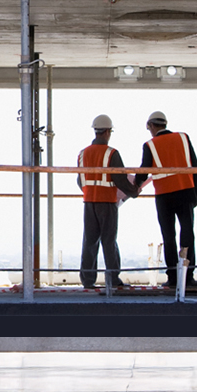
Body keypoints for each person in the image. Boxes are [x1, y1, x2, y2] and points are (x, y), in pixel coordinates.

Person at [133, 111, 197, 289]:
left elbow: (144, 171)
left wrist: (133, 188)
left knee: (169, 236)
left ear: (152, 126)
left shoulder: (149, 145)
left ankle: (173, 277)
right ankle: (188, 276)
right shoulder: (183, 138)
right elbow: (195, 166)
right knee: (187, 233)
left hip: (164, 196)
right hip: (186, 191)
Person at [77, 114, 138, 289]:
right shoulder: (111, 153)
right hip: (108, 202)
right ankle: (112, 279)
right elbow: (121, 180)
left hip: (89, 202)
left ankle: (88, 281)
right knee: (109, 241)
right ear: (108, 132)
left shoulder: (82, 154)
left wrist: (91, 192)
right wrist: (134, 192)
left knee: (89, 241)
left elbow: (80, 181)